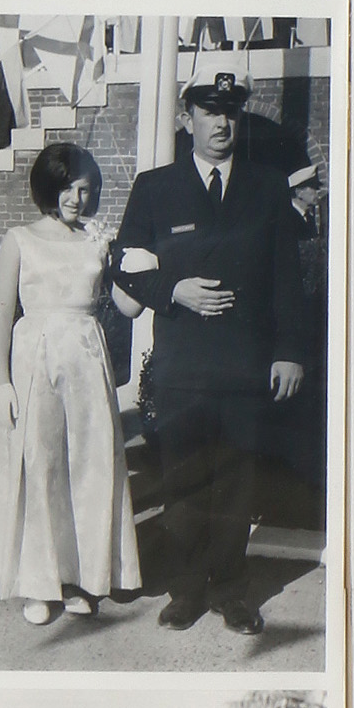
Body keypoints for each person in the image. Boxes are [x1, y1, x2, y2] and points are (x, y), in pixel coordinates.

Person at [113, 67, 309, 634]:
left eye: (229, 111)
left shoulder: (265, 186)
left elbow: (285, 279)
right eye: (208, 111)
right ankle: (186, 590)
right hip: (182, 369)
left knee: (236, 481)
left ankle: (231, 590)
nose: (221, 122)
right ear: (187, 119)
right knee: (182, 483)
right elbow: (124, 267)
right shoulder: (155, 187)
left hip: (246, 367)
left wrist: (289, 351)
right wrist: (171, 291)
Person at [0, 141, 141, 626]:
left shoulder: (97, 240)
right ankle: (40, 581)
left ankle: (84, 577)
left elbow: (125, 303)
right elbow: (1, 314)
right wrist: (2, 380)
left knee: (88, 466)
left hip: (88, 359)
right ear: (49, 188)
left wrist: (140, 265)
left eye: (85, 188)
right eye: (68, 187)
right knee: (42, 465)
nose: (76, 197)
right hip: (35, 358)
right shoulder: (19, 240)